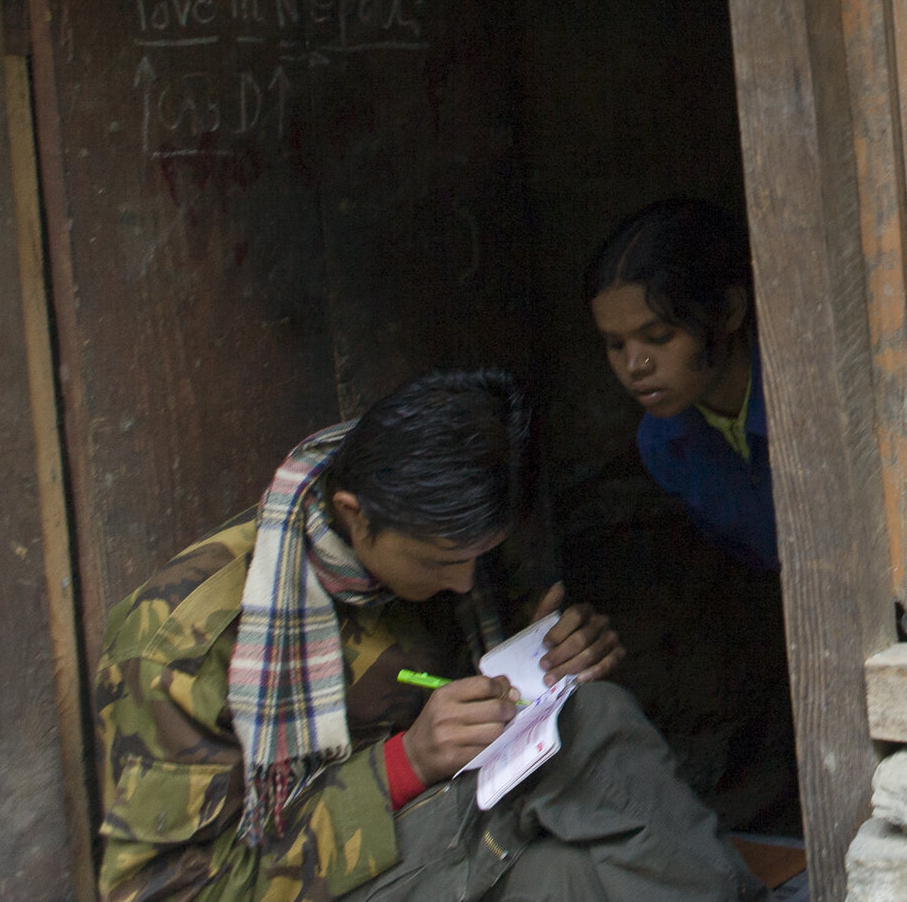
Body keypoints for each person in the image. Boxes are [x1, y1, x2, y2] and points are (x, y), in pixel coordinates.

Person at [93, 367, 768, 902]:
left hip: (431, 856)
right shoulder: (182, 644)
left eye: (476, 558)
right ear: (356, 517)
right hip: (327, 875)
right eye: (439, 562)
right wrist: (404, 764)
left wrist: (543, 656)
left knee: (577, 873)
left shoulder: (438, 530)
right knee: (594, 725)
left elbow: (477, 668)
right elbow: (170, 890)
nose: (462, 583)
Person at [583, 200, 778, 571]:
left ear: (730, 310)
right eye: (616, 344)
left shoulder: (803, 401)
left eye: (658, 336)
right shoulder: (662, 446)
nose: (634, 366)